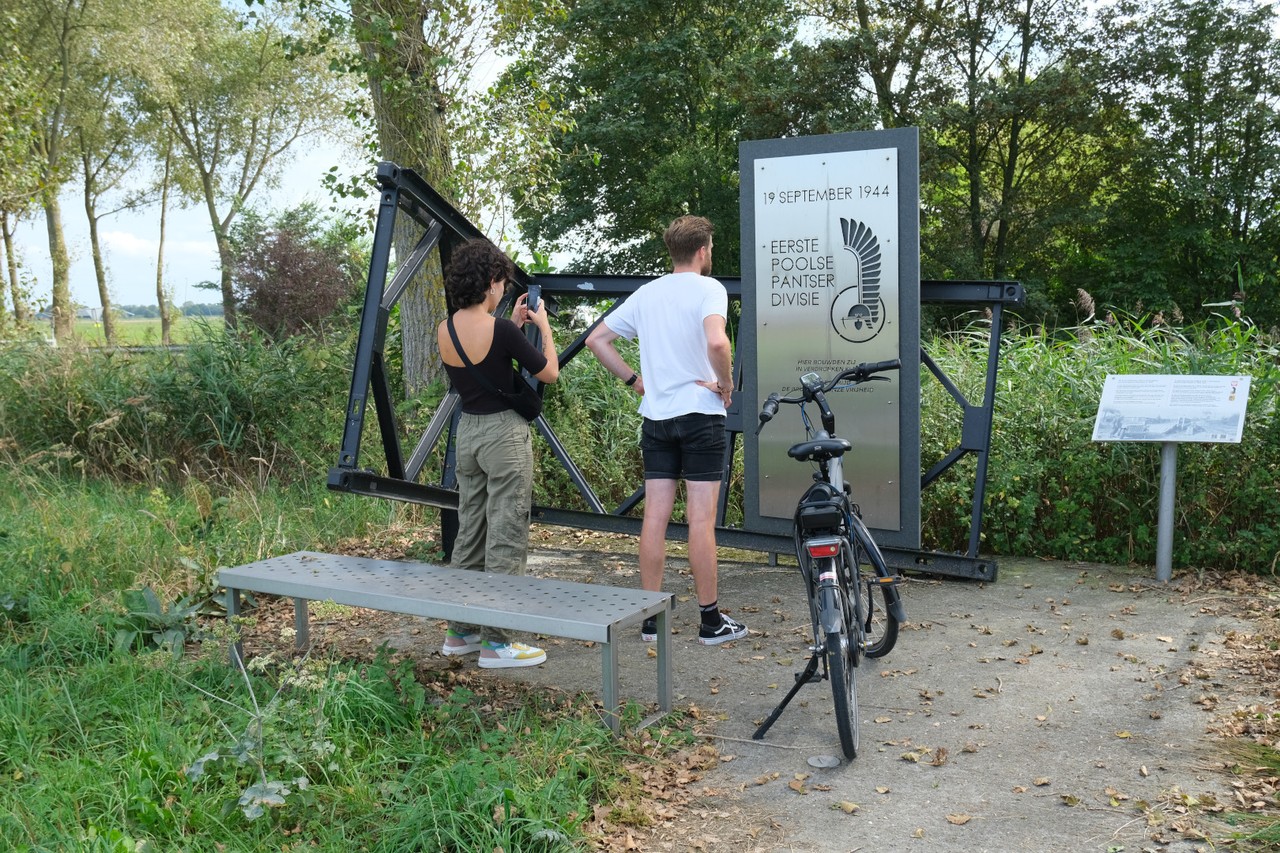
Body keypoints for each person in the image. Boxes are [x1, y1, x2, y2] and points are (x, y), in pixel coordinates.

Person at [586, 215, 749, 645]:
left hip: (656, 417)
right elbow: (718, 343)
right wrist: (727, 385)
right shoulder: (709, 288)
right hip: (700, 413)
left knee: (655, 516)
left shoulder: (647, 293)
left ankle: (650, 619)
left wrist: (633, 380)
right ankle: (711, 621)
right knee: (700, 519)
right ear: (702, 251)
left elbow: (596, 340)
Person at [436, 239, 559, 668]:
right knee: (507, 532)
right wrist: (542, 327)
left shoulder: (445, 327)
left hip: (467, 433)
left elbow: (481, 362)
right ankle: (498, 642)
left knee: (470, 530)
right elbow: (550, 372)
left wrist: (508, 321)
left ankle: (460, 632)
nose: (504, 289)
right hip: (503, 436)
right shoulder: (503, 330)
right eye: (502, 283)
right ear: (490, 282)